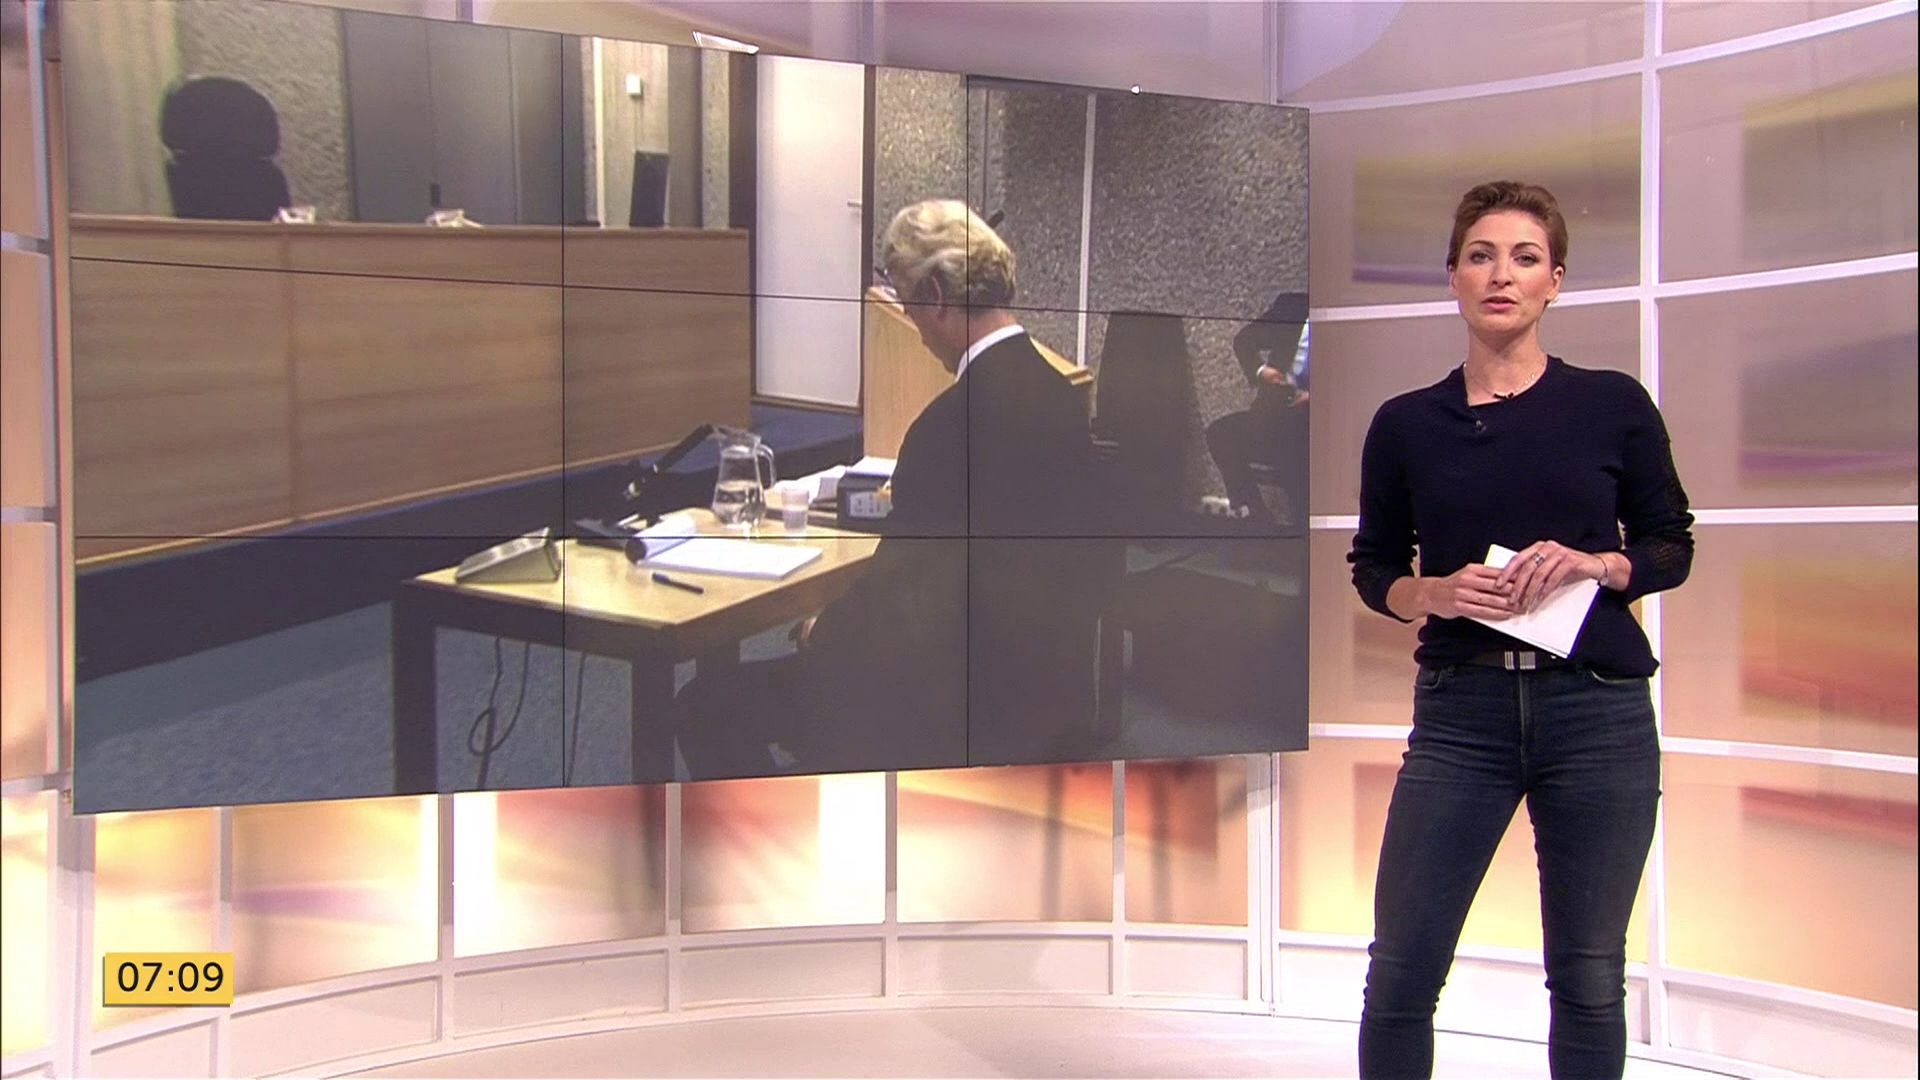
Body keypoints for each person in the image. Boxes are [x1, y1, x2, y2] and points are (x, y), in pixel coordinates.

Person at [1346, 180, 1694, 1080]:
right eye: (1481, 256)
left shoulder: (1612, 404)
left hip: (1598, 713)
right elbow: (1375, 570)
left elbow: (1670, 547)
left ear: (1555, 281)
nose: (1502, 275)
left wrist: (1596, 564)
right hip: (1461, 715)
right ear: (1453, 278)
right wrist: (1434, 593)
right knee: (1401, 971)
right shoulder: (1406, 424)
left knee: (1588, 976)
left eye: (1525, 258)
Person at [675, 200, 1105, 777]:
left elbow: (906, 600)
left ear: (936, 296)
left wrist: (823, 628)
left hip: (949, 709)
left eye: (906, 301)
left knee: (707, 707)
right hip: (1039, 690)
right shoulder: (1064, 398)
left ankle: (797, 830)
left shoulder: (947, 427)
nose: (912, 325)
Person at [1205, 293, 1310, 527]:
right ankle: (1255, 514)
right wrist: (1262, 371)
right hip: (1273, 416)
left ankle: (1306, 527)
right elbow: (1244, 340)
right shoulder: (1292, 308)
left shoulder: (1350, 322)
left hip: (1315, 427)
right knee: (1221, 434)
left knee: (1295, 459)